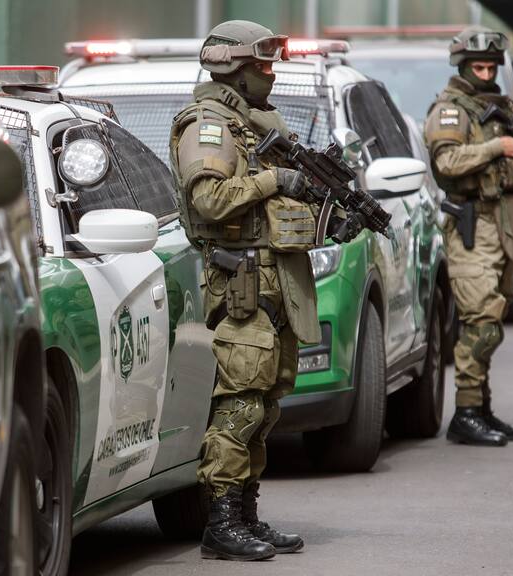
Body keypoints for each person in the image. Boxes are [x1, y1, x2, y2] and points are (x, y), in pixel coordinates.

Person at [169, 20, 321, 560]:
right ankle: (221, 521)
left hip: (275, 280)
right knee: (239, 405)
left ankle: (247, 514)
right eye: (262, 64)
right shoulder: (208, 127)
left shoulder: (253, 125)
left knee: (267, 402)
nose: (271, 73)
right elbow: (209, 200)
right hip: (240, 283)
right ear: (231, 66)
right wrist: (274, 180)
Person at [424, 26, 513, 447]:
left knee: (493, 318)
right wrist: (496, 147)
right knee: (479, 321)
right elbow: (446, 162)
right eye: (477, 66)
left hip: (503, 224)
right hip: (471, 224)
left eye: (490, 66)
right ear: (463, 66)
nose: (485, 73)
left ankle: (481, 408)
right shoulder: (451, 110)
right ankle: (465, 414)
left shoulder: (503, 108)